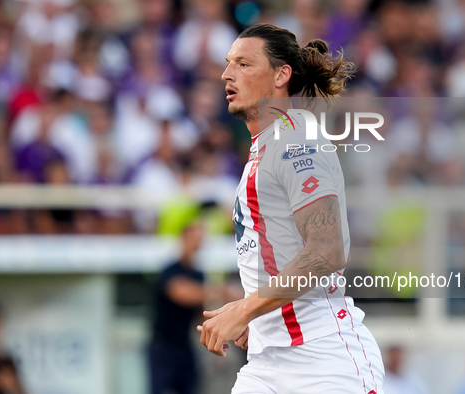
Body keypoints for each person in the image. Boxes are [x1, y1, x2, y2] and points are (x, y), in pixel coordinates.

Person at [197, 23, 384, 393]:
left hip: (323, 361)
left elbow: (327, 250)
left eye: (244, 64)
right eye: (228, 63)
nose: (226, 74)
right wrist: (261, 315)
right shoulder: (266, 145)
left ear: (281, 75)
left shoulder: (297, 139)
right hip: (267, 361)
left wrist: (244, 309)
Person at [149, 219, 241, 394]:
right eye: (195, 238)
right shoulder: (171, 269)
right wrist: (221, 291)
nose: (198, 243)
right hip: (163, 347)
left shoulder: (199, 274)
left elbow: (201, 312)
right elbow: (182, 294)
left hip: (185, 347)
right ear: (183, 238)